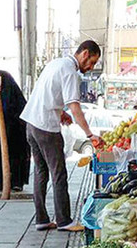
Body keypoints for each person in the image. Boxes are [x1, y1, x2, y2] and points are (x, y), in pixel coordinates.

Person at [20, 40, 102, 231]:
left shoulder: (56, 63)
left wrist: (60, 112)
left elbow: (48, 94)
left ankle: (41, 219)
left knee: (41, 171)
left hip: (32, 123)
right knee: (59, 173)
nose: (90, 68)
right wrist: (90, 134)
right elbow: (75, 106)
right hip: (46, 127)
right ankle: (64, 221)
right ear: (85, 53)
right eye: (92, 62)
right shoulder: (70, 72)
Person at [0, 70, 31, 192]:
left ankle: (15, 182)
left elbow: (20, 113)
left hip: (13, 134)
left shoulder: (13, 94)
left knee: (14, 158)